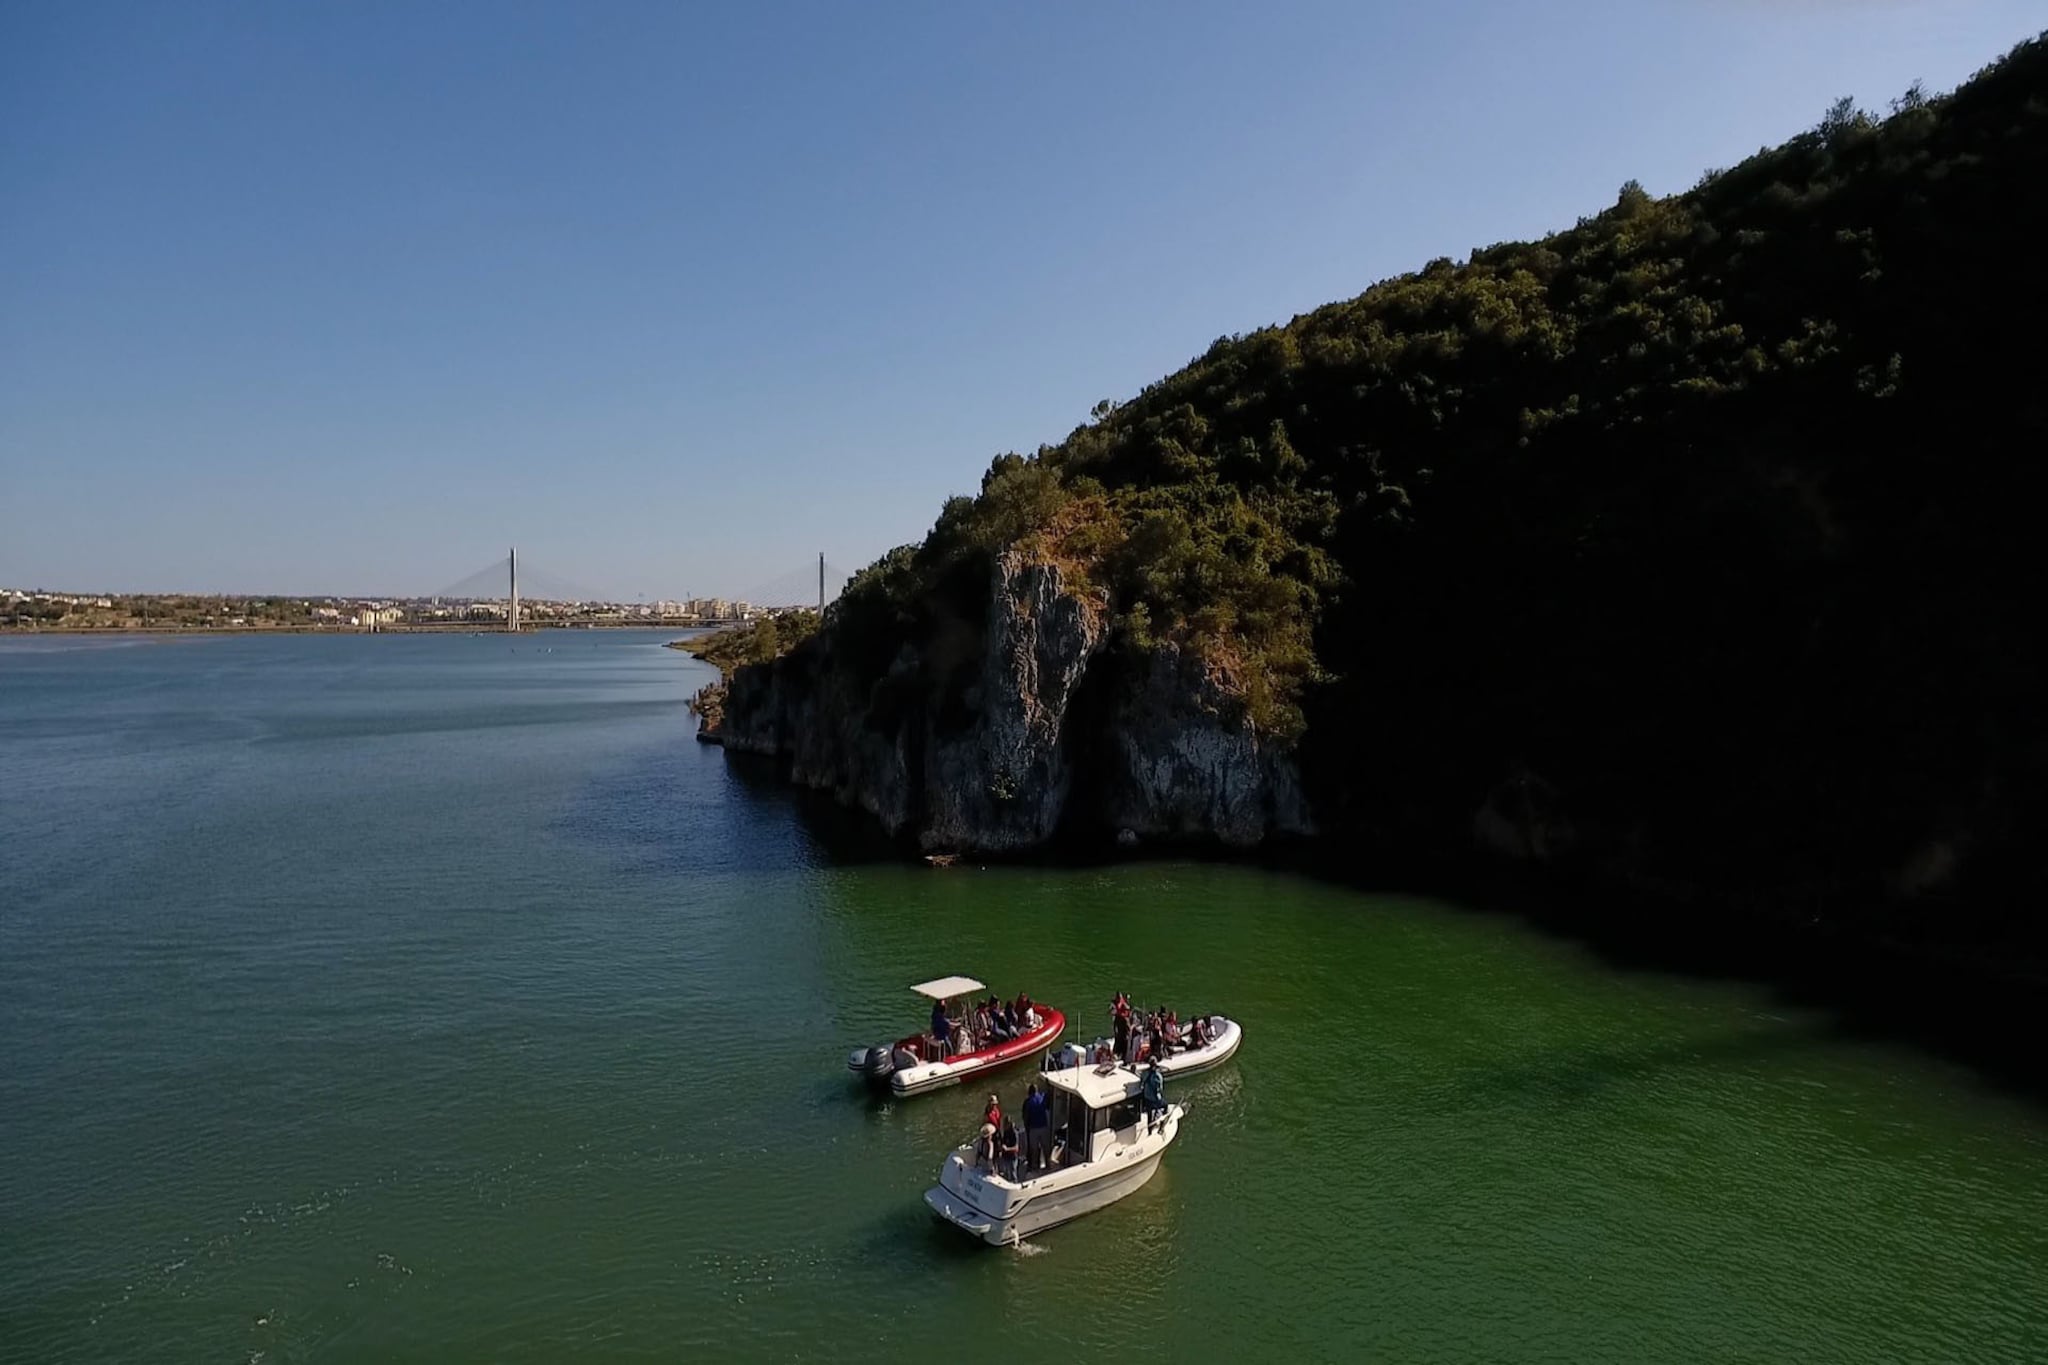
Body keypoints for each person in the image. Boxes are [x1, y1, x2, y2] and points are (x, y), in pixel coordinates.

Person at [1022, 1081, 1051, 1173]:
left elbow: (1026, 1116)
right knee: (1045, 1147)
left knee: (1034, 1149)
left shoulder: (1028, 1102)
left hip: (1033, 1128)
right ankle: (1048, 1165)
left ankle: (1035, 1167)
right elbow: (1048, 1098)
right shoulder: (1042, 1097)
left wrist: (1026, 1127)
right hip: (1044, 1126)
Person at [1141, 1059, 1167, 1127]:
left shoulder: (1144, 1073)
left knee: (1149, 1114)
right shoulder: (1157, 1076)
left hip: (1146, 1097)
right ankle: (1162, 1124)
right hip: (1154, 1099)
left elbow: (1142, 1081)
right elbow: (1160, 1089)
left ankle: (1149, 1129)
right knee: (1165, 1106)